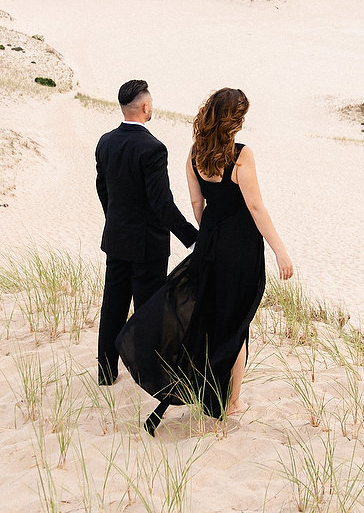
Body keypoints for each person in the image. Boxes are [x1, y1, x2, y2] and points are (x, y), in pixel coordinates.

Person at [117, 87, 294, 433]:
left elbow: (198, 206)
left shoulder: (195, 154)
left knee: (211, 316)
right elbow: (255, 207)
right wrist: (279, 250)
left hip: (210, 243)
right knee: (237, 320)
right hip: (241, 247)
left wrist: (211, 235)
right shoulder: (241, 156)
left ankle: (208, 391)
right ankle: (232, 401)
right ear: (234, 120)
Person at [95, 79, 199, 386]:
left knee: (113, 307)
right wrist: (192, 237)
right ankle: (148, 376)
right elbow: (161, 203)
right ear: (145, 107)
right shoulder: (153, 148)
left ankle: (106, 372)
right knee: (148, 312)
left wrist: (114, 219)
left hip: (116, 239)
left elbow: (102, 188)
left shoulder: (105, 142)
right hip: (147, 247)